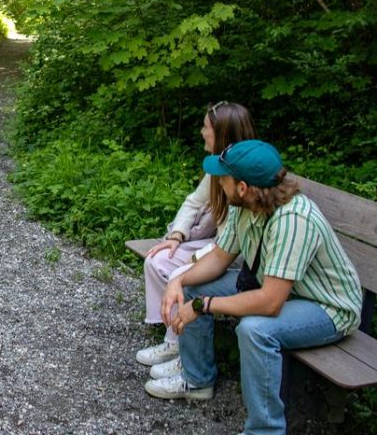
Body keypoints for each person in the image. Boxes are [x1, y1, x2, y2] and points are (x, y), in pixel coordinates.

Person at [146, 140, 363, 435]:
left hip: (326, 307)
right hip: (279, 290)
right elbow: (220, 259)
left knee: (255, 329)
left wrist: (202, 305)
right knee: (197, 286)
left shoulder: (293, 220)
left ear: (243, 186)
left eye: (222, 178)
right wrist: (178, 280)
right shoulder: (244, 206)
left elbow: (270, 303)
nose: (218, 183)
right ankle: (197, 381)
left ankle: (264, 430)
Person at [137, 102, 256, 379]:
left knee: (183, 274)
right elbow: (193, 203)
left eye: (206, 127)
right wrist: (176, 235)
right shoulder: (218, 167)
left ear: (223, 134)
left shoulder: (244, 174)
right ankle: (173, 342)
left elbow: (234, 241)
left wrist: (196, 259)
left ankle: (185, 353)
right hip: (220, 246)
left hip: (234, 254)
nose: (202, 131)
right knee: (159, 259)